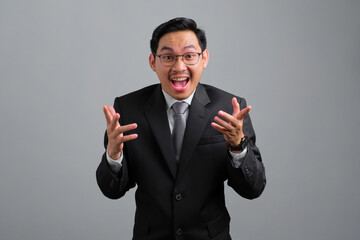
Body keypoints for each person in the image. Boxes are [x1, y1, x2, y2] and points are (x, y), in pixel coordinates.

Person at [97, 17, 266, 240]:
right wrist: (114, 157)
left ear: (204, 58)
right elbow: (112, 191)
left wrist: (237, 146)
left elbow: (253, 189)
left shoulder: (230, 108)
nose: (179, 66)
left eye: (189, 55)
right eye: (168, 57)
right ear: (152, 62)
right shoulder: (128, 109)